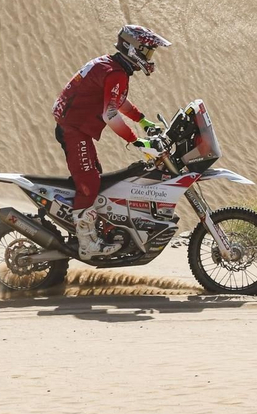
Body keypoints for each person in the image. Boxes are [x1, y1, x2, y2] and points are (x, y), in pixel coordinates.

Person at [52, 25, 172, 259]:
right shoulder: (115, 72)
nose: (149, 58)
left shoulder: (112, 66)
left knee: (96, 176)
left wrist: (143, 120)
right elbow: (111, 114)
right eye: (147, 52)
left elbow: (116, 101)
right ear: (132, 48)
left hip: (76, 127)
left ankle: (94, 227)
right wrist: (137, 142)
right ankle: (87, 243)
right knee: (89, 180)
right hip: (74, 129)